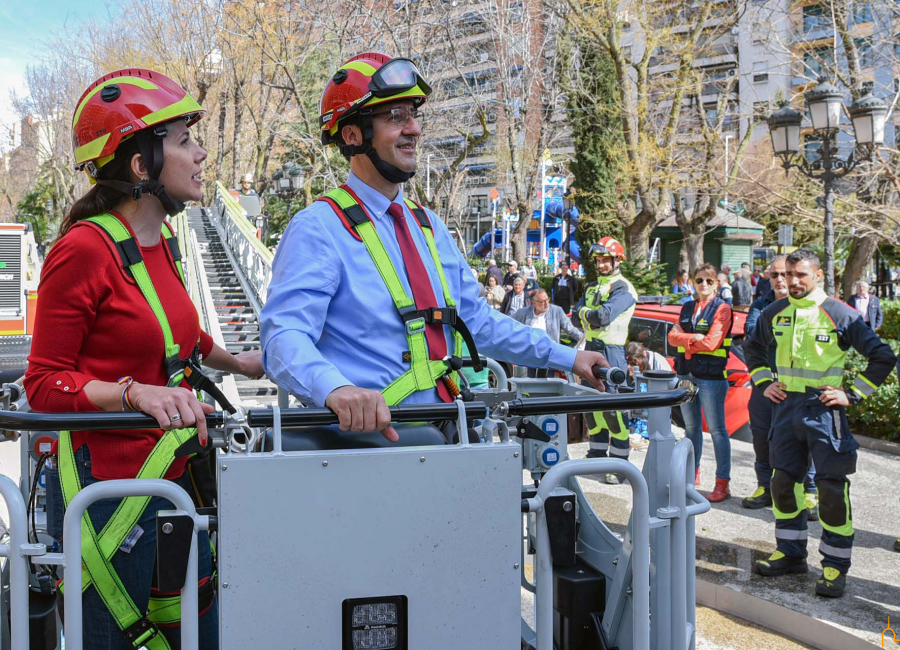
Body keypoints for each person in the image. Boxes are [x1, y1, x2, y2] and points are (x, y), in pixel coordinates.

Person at [25, 68, 265, 649]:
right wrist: (134, 393)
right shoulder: (83, 250)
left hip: (172, 489)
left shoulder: (160, 245)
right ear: (141, 165)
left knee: (195, 634)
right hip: (110, 505)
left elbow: (176, 333)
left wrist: (241, 363)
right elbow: (42, 384)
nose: (201, 152)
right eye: (184, 141)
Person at [261, 52, 609, 442]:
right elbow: (283, 336)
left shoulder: (428, 226)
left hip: (447, 433)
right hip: (367, 448)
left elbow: (477, 322)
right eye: (395, 117)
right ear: (352, 134)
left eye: (413, 115)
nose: (414, 129)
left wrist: (569, 357)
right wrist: (335, 390)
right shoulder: (318, 228)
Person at [745, 249, 895, 598]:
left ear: (818, 276)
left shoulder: (840, 314)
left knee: (830, 490)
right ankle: (791, 553)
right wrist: (765, 382)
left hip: (825, 412)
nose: (793, 281)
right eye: (789, 274)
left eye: (801, 275)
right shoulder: (775, 311)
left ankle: (834, 566)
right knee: (782, 483)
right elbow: (752, 348)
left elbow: (882, 356)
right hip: (786, 410)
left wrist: (852, 394)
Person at [741, 257, 818, 516]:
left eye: (785, 274)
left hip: (797, 387)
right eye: (774, 275)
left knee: (803, 439)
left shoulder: (809, 306)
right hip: (765, 384)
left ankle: (810, 492)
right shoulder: (761, 304)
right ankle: (765, 487)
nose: (780, 279)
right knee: (761, 437)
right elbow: (751, 334)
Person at [572, 237, 638, 483]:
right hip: (590, 348)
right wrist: (588, 314)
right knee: (591, 405)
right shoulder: (591, 286)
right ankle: (597, 453)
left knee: (612, 408)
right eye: (598, 261)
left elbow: (603, 316)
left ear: (616, 260)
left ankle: (620, 463)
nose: (601, 265)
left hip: (612, 351)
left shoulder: (623, 288)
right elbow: (575, 314)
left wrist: (586, 314)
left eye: (605, 260)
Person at [667, 263, 733, 502]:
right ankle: (691, 476)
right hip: (686, 374)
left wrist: (687, 341)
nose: (703, 285)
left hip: (711, 377)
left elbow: (712, 343)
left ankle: (722, 483)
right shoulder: (687, 307)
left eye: (709, 281)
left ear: (716, 283)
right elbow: (671, 337)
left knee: (717, 430)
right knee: (691, 428)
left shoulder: (722, 308)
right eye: (699, 280)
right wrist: (694, 337)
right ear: (692, 283)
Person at [512, 289, 583, 377]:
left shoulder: (557, 311)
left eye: (547, 299)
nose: (546, 303)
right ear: (534, 303)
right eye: (542, 301)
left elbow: (571, 329)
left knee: (546, 385)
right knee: (529, 385)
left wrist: (584, 340)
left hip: (548, 356)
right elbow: (509, 324)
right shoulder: (523, 313)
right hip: (529, 356)